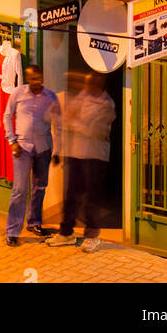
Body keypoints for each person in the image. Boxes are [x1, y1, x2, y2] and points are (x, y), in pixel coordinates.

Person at [47, 72, 116, 252]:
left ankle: (92, 235)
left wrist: (73, 122)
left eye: (88, 85)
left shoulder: (107, 104)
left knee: (91, 198)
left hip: (95, 155)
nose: (84, 89)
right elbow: (66, 116)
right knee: (70, 195)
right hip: (75, 153)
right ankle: (66, 232)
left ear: (98, 85)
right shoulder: (82, 97)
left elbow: (91, 129)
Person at [3, 63, 61, 244]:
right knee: (20, 190)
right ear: (28, 79)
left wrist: (57, 150)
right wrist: (12, 140)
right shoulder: (18, 94)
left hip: (43, 147)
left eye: (40, 78)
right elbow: (7, 116)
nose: (38, 82)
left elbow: (58, 124)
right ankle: (12, 232)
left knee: (40, 187)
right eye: (34, 79)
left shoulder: (50, 97)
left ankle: (34, 222)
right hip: (22, 148)